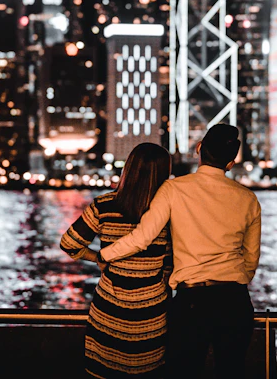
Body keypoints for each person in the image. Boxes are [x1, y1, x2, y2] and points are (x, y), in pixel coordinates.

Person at [99, 124, 261, 378]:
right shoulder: (248, 198)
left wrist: (104, 255)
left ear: (199, 148)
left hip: (192, 301)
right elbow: (251, 258)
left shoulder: (174, 189)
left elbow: (142, 238)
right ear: (231, 163)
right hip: (235, 300)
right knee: (231, 371)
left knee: (184, 372)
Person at [60, 142, 173, 378]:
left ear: (128, 169)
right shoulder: (169, 215)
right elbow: (170, 264)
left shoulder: (104, 206)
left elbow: (69, 244)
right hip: (151, 313)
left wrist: (98, 259)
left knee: (103, 371)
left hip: (108, 310)